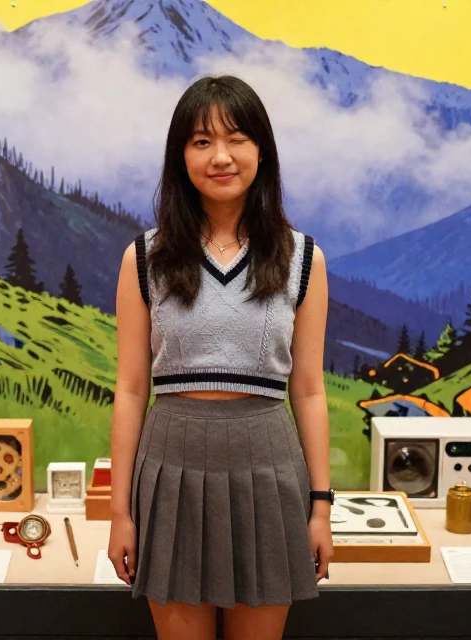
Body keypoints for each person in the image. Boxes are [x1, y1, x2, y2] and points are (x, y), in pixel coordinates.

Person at [107, 74, 334, 640]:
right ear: (180, 156)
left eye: (236, 138)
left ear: (262, 150)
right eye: (201, 141)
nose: (221, 157)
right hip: (170, 469)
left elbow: (308, 390)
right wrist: (120, 514)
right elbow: (132, 389)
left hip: (269, 471)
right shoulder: (145, 257)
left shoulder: (304, 258)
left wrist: (322, 509)